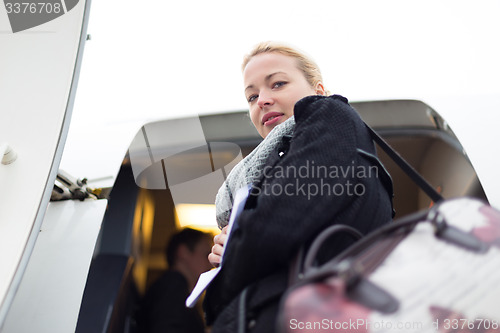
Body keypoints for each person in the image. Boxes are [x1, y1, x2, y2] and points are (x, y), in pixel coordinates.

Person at [204, 42, 394, 332]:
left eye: (277, 84)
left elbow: (275, 225)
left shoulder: (331, 115)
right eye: (252, 96)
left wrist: (228, 267)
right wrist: (234, 243)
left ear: (318, 91)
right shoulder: (272, 166)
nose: (262, 101)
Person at [138, 228, 213, 333]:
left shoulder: (173, 287)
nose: (211, 264)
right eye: (207, 255)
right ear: (183, 252)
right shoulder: (172, 287)